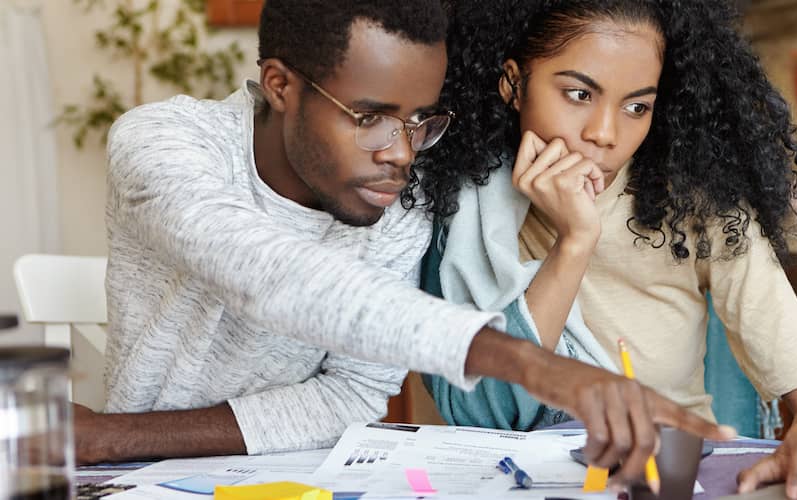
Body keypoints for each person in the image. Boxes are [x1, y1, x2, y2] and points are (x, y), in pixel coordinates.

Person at [80, 0, 730, 487]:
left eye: (420, 120)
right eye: (369, 117)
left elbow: (352, 395)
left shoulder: (399, 201)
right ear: (280, 85)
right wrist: (537, 364)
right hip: (137, 481)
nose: (400, 152)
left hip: (304, 481)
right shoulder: (163, 145)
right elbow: (274, 278)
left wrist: (109, 435)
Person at [419, 0, 797, 497]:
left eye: (637, 106)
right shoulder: (461, 202)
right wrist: (574, 243)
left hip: (672, 481)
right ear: (513, 83)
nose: (604, 134)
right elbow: (485, 412)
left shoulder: (699, 205)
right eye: (579, 93)